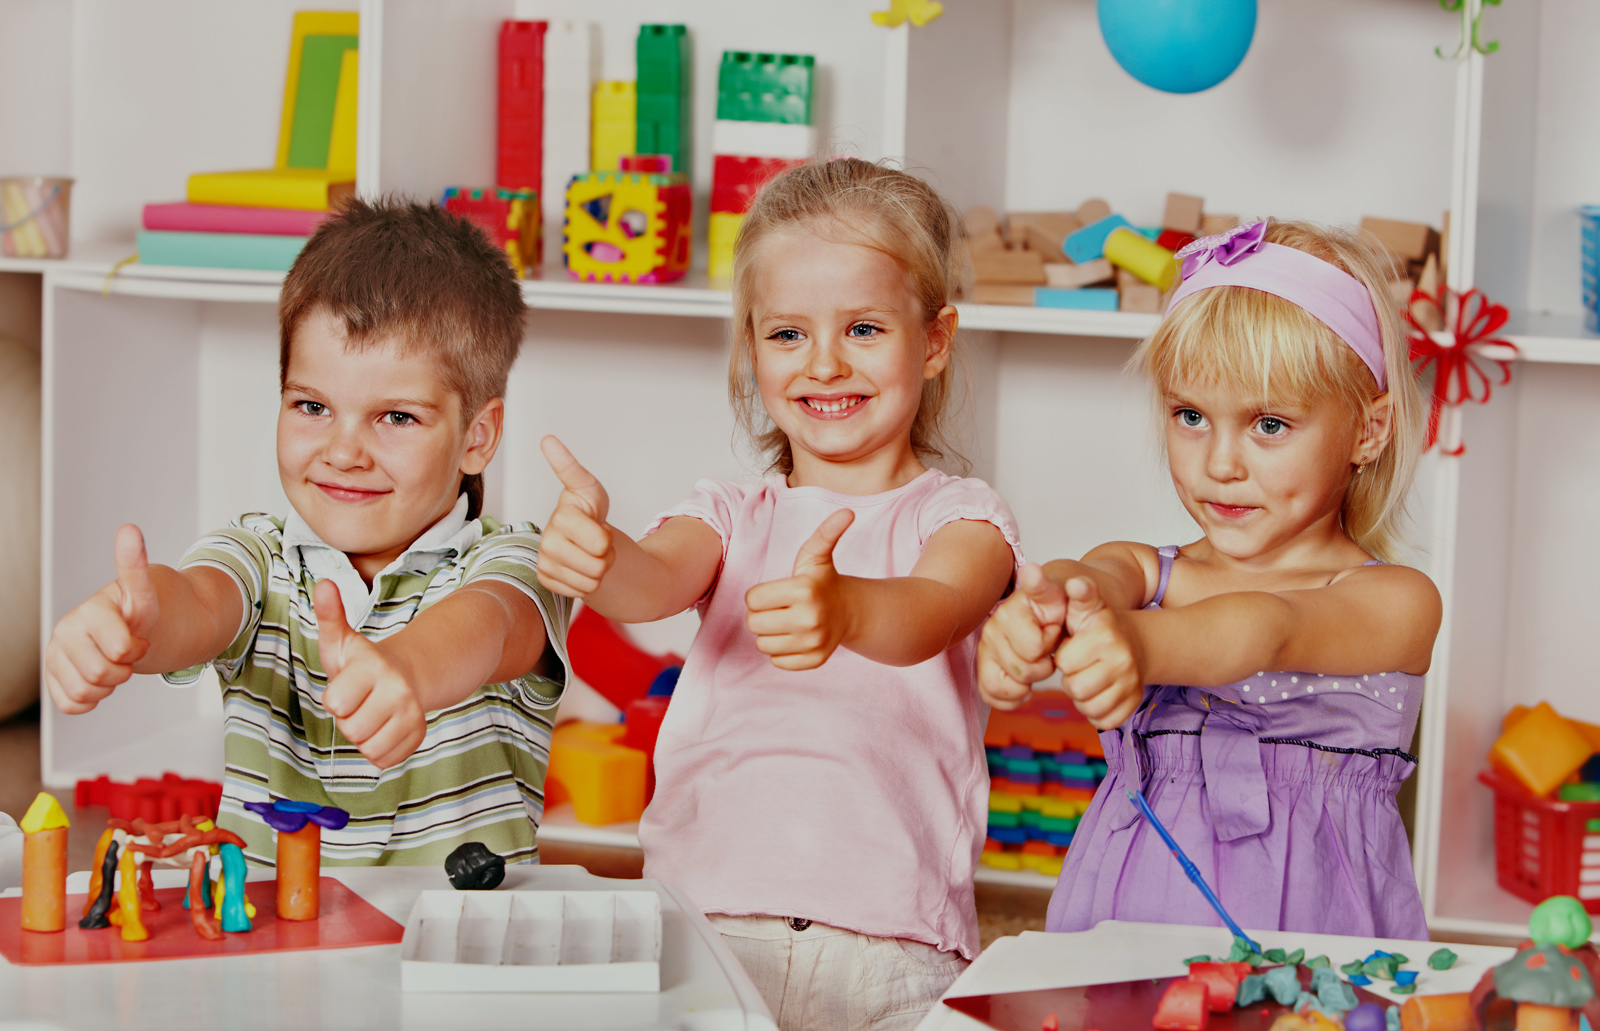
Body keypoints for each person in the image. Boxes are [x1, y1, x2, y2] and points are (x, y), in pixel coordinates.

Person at [536, 158, 1023, 1030]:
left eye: (864, 328)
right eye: (788, 333)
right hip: (703, 926)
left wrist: (847, 610)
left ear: (934, 340)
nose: (825, 364)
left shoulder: (963, 518)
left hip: (891, 950)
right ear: (751, 347)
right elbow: (653, 578)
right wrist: (599, 556)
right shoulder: (730, 513)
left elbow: (933, 608)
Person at [44, 199, 570, 866]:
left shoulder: (517, 559)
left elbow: (491, 622)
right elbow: (199, 600)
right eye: (313, 406)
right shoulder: (258, 554)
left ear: (477, 436)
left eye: (397, 417)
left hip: (455, 932)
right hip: (266, 930)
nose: (343, 452)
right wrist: (130, 623)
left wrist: (409, 665)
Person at [980, 219, 1440, 940]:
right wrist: (1038, 615)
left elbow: (1266, 627)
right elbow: (1090, 576)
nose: (1220, 463)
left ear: (1368, 431)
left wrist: (1138, 642)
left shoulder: (1396, 601)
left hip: (1309, 941)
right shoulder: (1147, 570)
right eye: (1191, 415)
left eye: (1269, 424)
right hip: (1125, 914)